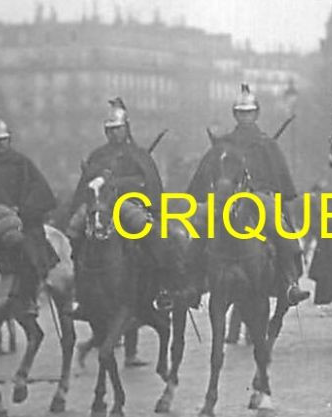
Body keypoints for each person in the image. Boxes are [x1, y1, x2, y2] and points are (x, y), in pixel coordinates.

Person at [191, 84, 309, 305]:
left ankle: (290, 281)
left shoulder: (266, 144)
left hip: (259, 196)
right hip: (226, 197)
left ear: (256, 113)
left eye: (249, 113)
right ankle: (192, 281)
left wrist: (267, 189)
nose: (245, 117)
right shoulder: (224, 144)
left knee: (280, 228)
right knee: (197, 225)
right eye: (241, 113)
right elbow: (208, 170)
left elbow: (279, 178)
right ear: (235, 115)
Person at [69, 97, 185, 311]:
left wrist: (115, 183)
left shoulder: (139, 155)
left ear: (126, 128)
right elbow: (86, 182)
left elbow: (146, 182)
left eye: (118, 129)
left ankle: (162, 287)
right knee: (73, 233)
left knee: (152, 234)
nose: (114, 133)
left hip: (130, 204)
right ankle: (79, 290)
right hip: (100, 204)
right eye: (110, 129)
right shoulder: (98, 155)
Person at [0, 112, 59, 315]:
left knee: (26, 254)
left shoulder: (22, 163)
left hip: (21, 223)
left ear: (9, 140)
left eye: (3, 140)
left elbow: (40, 192)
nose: (1, 145)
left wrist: (21, 210)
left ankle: (28, 298)